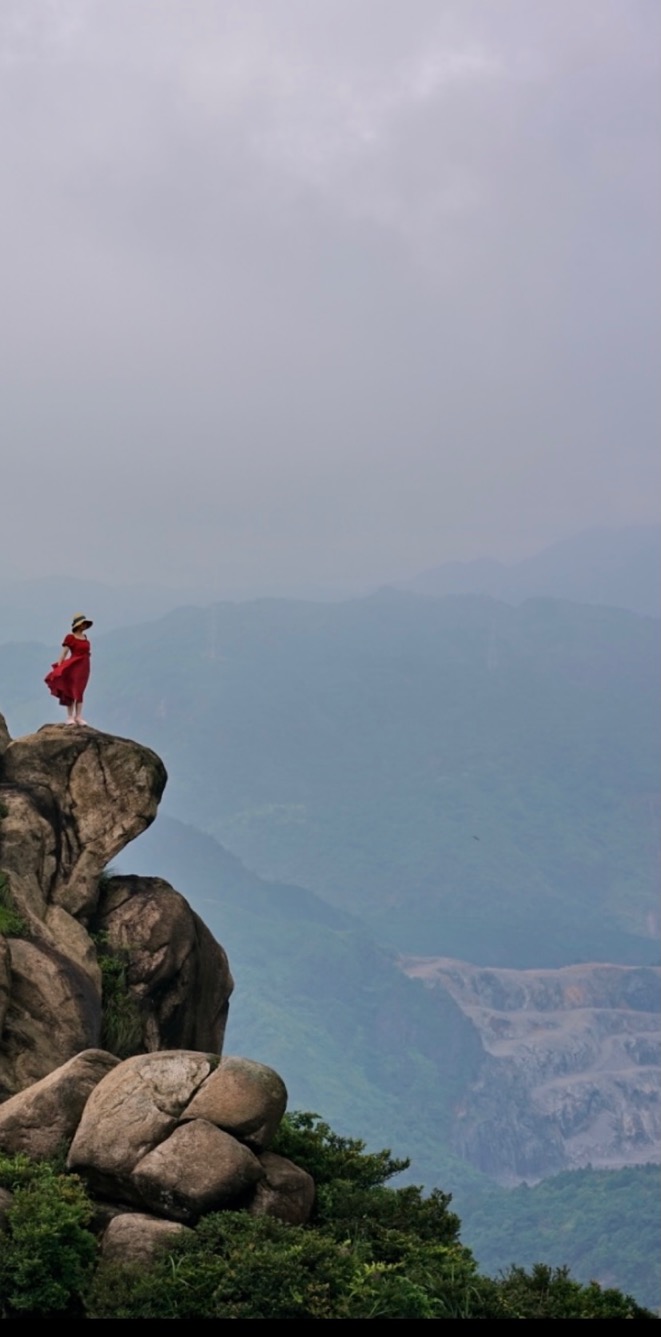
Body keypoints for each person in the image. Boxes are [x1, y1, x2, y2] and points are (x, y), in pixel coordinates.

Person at [45, 613, 93, 725]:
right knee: (71, 691)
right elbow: (64, 653)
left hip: (84, 667)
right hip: (73, 667)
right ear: (78, 625)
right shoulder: (70, 638)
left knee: (80, 691)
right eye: (83, 623)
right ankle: (70, 717)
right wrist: (59, 667)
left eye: (85, 624)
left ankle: (78, 716)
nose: (84, 625)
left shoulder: (85, 637)